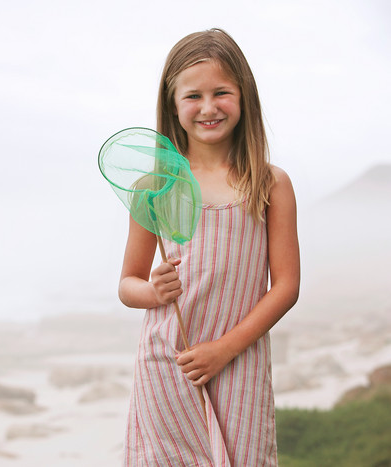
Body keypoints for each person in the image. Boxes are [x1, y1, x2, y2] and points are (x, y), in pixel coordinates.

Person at [120, 28, 300, 466]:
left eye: (221, 92)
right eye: (192, 96)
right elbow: (129, 284)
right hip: (168, 366)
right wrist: (154, 291)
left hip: (239, 363)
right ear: (172, 104)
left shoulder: (269, 183)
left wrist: (224, 350)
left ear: (244, 96)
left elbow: (287, 287)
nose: (208, 107)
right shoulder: (155, 188)